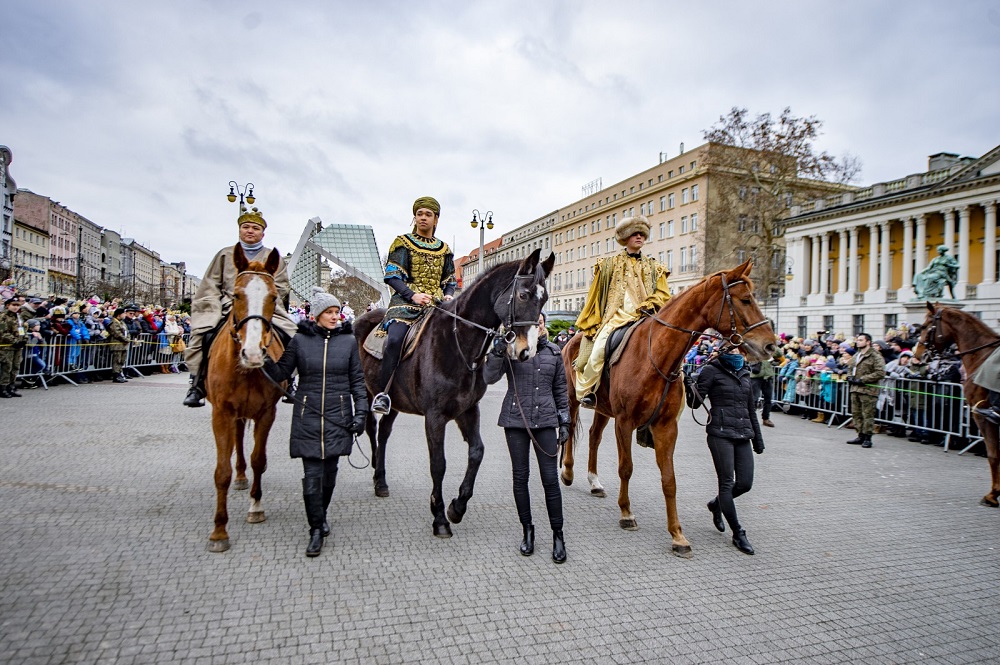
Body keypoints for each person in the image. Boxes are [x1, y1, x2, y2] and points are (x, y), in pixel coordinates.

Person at [263, 288, 368, 557]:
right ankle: (316, 529)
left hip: (338, 415)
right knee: (312, 476)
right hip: (307, 415)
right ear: (317, 315)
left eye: (337, 312)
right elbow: (282, 372)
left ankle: (321, 516)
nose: (335, 317)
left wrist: (361, 414)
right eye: (330, 313)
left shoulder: (348, 342)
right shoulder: (299, 341)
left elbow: (358, 382)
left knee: (329, 475)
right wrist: (264, 358)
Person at [183, 207, 299, 407]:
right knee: (206, 335)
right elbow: (211, 284)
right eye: (246, 227)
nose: (250, 231)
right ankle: (197, 383)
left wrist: (264, 300)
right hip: (228, 306)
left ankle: (289, 382)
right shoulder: (225, 255)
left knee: (290, 336)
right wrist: (218, 304)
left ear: (263, 233)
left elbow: (281, 286)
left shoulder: (273, 257)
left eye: (255, 228)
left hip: (263, 307)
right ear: (239, 230)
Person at [484, 312, 570, 564]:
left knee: (550, 479)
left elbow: (560, 391)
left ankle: (558, 535)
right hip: (515, 420)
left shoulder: (554, 352)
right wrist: (498, 350)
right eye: (533, 324)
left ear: (544, 326)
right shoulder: (513, 349)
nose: (537, 326)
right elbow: (489, 377)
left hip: (545, 421)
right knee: (520, 478)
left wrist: (564, 421)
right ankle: (528, 531)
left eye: (540, 323)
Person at [371, 196, 457, 415]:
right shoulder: (403, 243)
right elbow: (392, 276)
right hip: (404, 305)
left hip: (436, 305)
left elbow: (449, 281)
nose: (423, 218)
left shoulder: (444, 249)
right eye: (419, 214)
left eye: (428, 214)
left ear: (436, 219)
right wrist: (412, 295)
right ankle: (383, 393)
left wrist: (448, 296)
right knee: (395, 339)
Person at [573, 214, 671, 407]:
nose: (639, 238)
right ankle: (590, 392)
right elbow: (596, 294)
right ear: (625, 238)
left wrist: (649, 304)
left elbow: (663, 295)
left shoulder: (655, 267)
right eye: (635, 234)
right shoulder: (608, 264)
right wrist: (594, 319)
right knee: (598, 351)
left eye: (642, 234)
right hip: (615, 318)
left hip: (646, 317)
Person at [688, 348, 765, 555]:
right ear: (722, 349)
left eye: (738, 347)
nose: (735, 351)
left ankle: (716, 504)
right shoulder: (711, 370)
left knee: (745, 484)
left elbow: (751, 410)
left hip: (743, 434)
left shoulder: (745, 372)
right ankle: (738, 532)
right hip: (720, 434)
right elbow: (694, 404)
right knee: (727, 483)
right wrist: (691, 386)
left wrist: (758, 439)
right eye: (730, 347)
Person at [845, 332, 886, 448]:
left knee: (867, 414)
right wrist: (849, 376)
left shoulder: (875, 356)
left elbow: (880, 372)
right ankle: (860, 435)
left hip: (868, 390)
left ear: (868, 342)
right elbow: (850, 367)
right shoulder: (857, 355)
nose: (858, 341)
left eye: (861, 340)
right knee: (856, 413)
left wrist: (863, 379)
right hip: (855, 389)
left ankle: (868, 437)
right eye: (858, 340)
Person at [0, 298, 26, 397]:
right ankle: (3, 388)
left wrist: (24, 339)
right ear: (7, 305)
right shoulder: (3, 316)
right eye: (13, 305)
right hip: (6, 347)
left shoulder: (19, 317)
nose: (15, 307)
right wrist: (15, 341)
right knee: (7, 367)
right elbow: (2, 332)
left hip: (17, 347)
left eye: (17, 305)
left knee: (15, 367)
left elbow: (22, 329)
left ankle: (11, 387)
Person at [106, 307, 131, 383]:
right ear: (119, 315)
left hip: (124, 345)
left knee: (122, 360)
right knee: (117, 360)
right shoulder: (113, 323)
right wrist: (125, 339)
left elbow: (127, 332)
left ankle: (120, 373)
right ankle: (116, 375)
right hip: (117, 344)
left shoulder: (122, 323)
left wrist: (128, 338)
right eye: (123, 313)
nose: (124, 315)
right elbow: (117, 333)